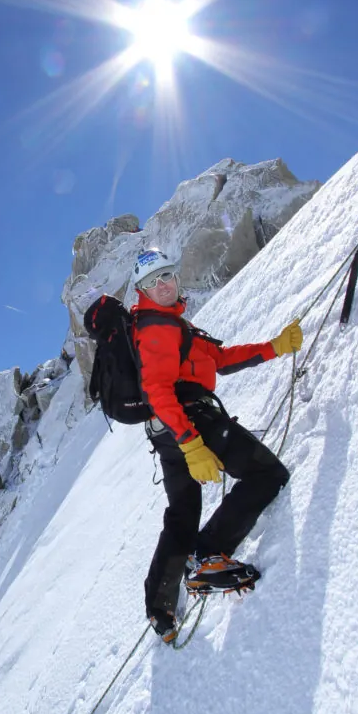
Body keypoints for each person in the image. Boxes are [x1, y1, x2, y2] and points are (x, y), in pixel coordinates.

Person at [130, 247, 302, 644]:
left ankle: (161, 611)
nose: (163, 285)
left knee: (182, 512)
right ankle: (207, 555)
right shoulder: (157, 328)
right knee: (265, 473)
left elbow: (221, 359)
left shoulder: (175, 328)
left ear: (177, 276)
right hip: (190, 422)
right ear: (141, 291)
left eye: (167, 275)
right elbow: (156, 389)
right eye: (152, 282)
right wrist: (191, 442)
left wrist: (273, 347)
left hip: (166, 432)